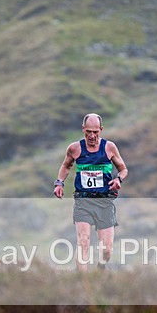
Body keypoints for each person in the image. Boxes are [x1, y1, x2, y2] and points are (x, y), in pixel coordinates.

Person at [54, 113, 128, 271]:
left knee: (106, 251)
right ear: (83, 130)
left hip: (104, 202)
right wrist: (59, 183)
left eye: (95, 132)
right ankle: (82, 283)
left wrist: (118, 180)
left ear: (101, 130)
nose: (92, 136)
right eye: (88, 132)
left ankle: (100, 269)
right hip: (83, 202)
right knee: (83, 241)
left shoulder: (109, 147)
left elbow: (123, 170)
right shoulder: (75, 148)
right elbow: (66, 166)